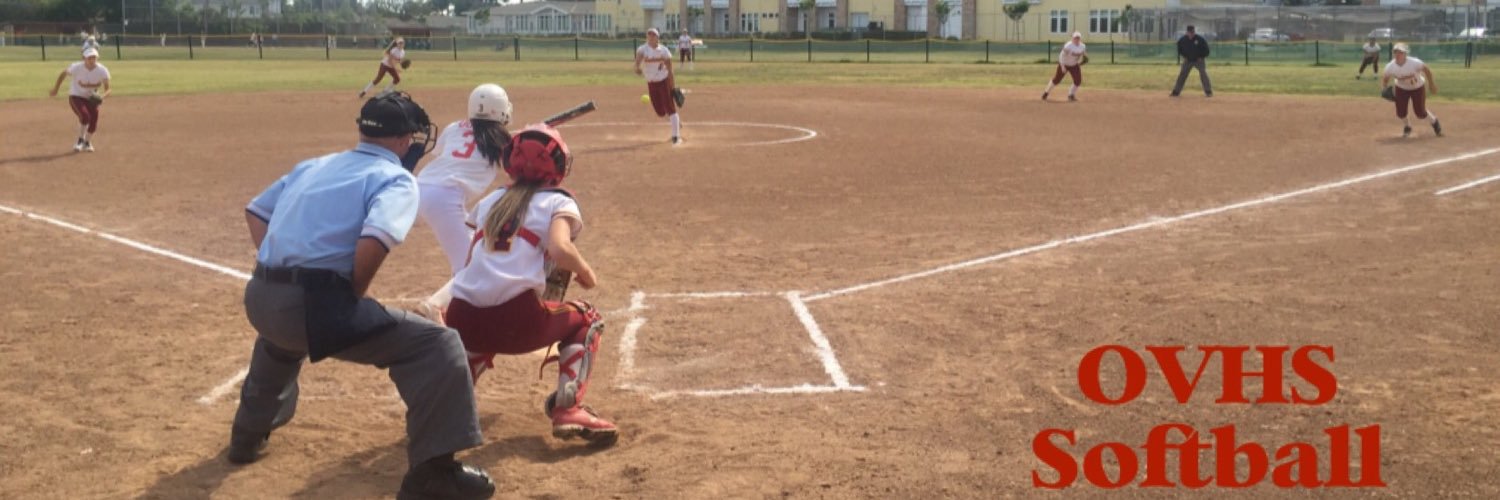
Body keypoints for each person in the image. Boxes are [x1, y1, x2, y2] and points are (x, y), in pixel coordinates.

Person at [230, 91, 495, 500]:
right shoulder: (396, 179)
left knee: (280, 341)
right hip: (310, 306)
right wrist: (346, 298)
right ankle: (434, 473)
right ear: (406, 140)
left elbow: (256, 211)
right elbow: (375, 240)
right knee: (437, 344)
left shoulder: (315, 164)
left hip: (260, 297)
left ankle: (245, 436)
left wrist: (278, 266)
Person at [443, 125, 617, 444]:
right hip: (516, 323)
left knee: (483, 321)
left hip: (460, 318)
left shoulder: (494, 198)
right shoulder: (558, 201)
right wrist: (586, 273)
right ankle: (568, 408)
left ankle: (450, 410)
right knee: (588, 318)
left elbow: (470, 259)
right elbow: (560, 249)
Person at [417, 83, 514, 275]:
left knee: (474, 248)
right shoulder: (502, 140)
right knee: (468, 264)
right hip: (444, 197)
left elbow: (443, 153)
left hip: (418, 187)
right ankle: (438, 305)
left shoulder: (454, 127)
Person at [48, 48, 111, 153]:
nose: (92, 60)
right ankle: (80, 140)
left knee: (94, 121)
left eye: (94, 57)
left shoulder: (102, 70)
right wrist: (56, 89)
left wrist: (102, 97)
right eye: (89, 58)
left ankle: (87, 143)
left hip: (91, 98)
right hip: (76, 96)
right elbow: (63, 74)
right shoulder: (76, 67)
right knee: (85, 116)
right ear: (84, 58)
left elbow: (108, 89)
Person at [1381, 43, 1441, 138]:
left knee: (1420, 112)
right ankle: (1407, 126)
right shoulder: (1390, 66)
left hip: (1417, 87)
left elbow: (1426, 70)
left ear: (1405, 54)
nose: (1397, 54)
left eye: (1400, 52)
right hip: (1401, 89)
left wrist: (1431, 84)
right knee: (1400, 112)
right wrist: (1383, 88)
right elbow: (1385, 78)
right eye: (1395, 52)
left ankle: (1434, 121)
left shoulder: (1414, 62)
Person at [635, 28, 682, 145]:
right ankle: (675, 122)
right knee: (660, 112)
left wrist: (672, 86)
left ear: (657, 38)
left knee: (670, 108)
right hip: (651, 83)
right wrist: (637, 68)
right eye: (649, 35)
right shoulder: (642, 49)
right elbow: (638, 60)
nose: (650, 37)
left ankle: (676, 136)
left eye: (653, 35)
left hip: (663, 81)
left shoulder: (664, 51)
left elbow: (670, 70)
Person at [1042, 32, 1087, 102]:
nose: (1077, 39)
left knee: (1078, 81)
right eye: (1075, 38)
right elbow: (1061, 56)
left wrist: (1084, 59)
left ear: (1080, 38)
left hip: (1074, 65)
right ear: (1072, 38)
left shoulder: (1083, 46)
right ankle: (1046, 93)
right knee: (1056, 80)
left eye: (1078, 38)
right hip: (1064, 64)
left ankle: (1071, 95)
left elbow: (1083, 54)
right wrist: (1062, 66)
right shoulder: (1068, 46)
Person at [1171, 25, 1213, 98]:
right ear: (1187, 32)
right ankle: (1176, 92)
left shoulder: (1200, 39)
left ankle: (1208, 91)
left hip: (1198, 60)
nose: (1191, 34)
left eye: (1193, 32)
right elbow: (1179, 49)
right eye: (1190, 32)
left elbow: (1207, 50)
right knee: (1182, 75)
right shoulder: (1182, 40)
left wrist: (1201, 57)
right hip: (1188, 60)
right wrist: (1184, 56)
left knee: (1203, 74)